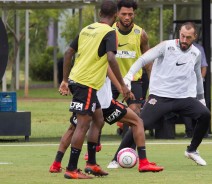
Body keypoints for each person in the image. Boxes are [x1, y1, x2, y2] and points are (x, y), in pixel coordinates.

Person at [51, 35, 164, 176]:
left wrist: (122, 88)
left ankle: (60, 163)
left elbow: (107, 71)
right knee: (136, 121)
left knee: (78, 127)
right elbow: (109, 69)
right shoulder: (104, 56)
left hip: (91, 102)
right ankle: (143, 162)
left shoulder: (87, 58)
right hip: (104, 104)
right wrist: (123, 88)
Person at [109, 22, 211, 167]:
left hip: (183, 98)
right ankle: (115, 159)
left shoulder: (196, 53)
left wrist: (201, 99)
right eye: (182, 36)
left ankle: (192, 150)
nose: (184, 40)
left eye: (188, 37)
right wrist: (129, 76)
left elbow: (198, 77)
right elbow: (143, 59)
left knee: (205, 114)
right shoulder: (166, 46)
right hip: (160, 97)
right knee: (140, 123)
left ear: (194, 37)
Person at [58, 0, 131, 179]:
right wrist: (122, 85)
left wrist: (65, 80)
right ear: (115, 16)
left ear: (100, 14)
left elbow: (68, 52)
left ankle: (91, 164)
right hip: (87, 83)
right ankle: (72, 169)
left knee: (98, 119)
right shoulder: (110, 32)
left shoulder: (86, 29)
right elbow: (111, 59)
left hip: (78, 81)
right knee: (83, 124)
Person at [110, 0, 152, 139]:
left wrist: (153, 83)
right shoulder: (110, 32)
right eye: (124, 14)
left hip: (134, 80)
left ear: (134, 14)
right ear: (117, 14)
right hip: (112, 80)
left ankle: (127, 148)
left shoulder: (141, 34)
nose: (127, 17)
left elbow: (148, 61)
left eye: (130, 14)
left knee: (135, 113)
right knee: (98, 113)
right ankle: (93, 150)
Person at [182, 42, 208, 138]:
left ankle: (202, 132)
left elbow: (204, 66)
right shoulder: (178, 48)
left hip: (196, 84)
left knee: (201, 106)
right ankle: (189, 132)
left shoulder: (199, 48)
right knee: (185, 106)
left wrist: (199, 81)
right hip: (184, 84)